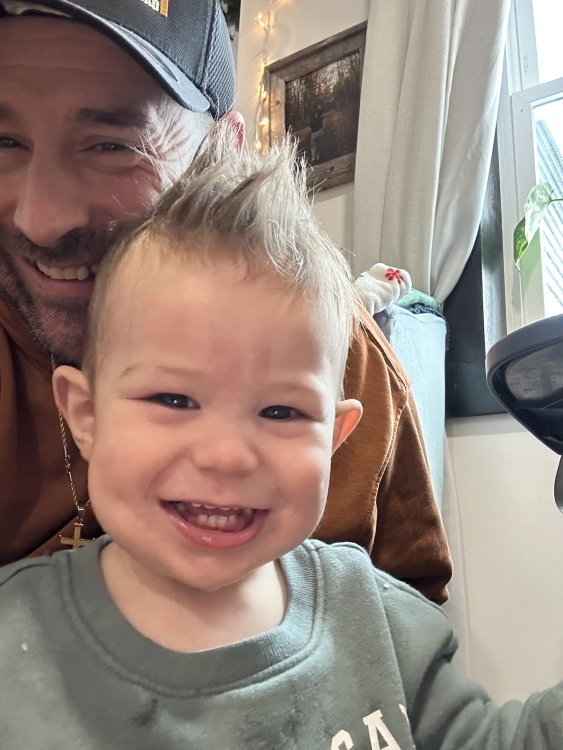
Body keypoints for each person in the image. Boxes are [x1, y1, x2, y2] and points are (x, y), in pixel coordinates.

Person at [1, 134, 561, 749]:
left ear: (334, 438)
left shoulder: (380, 621)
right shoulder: (17, 641)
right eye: (173, 400)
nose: (225, 456)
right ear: (86, 415)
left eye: (280, 411)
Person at [0, 0, 452, 603]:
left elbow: (407, 618)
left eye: (111, 146)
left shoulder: (339, 359)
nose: (42, 219)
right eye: (4, 141)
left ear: (223, 149)